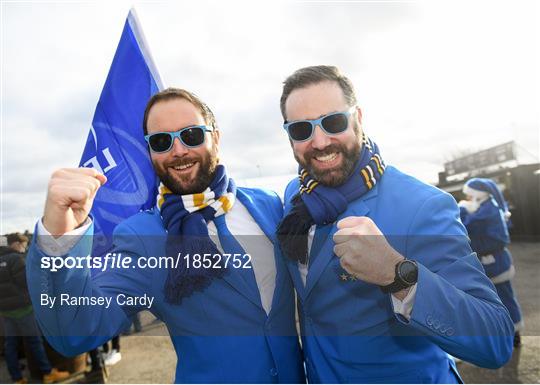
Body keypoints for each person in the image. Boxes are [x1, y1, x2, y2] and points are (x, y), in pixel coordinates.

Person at [25, 88, 305, 383]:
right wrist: (58, 238)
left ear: (216, 139)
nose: (179, 150)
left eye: (192, 135)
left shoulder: (268, 204)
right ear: (150, 152)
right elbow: (73, 330)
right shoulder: (141, 236)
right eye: (161, 141)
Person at [276, 65, 514, 383]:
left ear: (357, 118)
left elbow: (494, 339)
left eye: (333, 122)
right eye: (301, 129)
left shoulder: (422, 206)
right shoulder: (298, 194)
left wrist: (397, 275)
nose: (319, 141)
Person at [459, 177, 524, 347]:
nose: (468, 199)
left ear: (479, 194)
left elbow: (470, 227)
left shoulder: (488, 210)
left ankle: (514, 333)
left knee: (504, 297)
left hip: (495, 263)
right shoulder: (484, 207)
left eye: (470, 195)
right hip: (489, 263)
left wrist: (464, 211)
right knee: (494, 300)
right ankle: (503, 334)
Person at [0, 233, 70, 384]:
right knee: (35, 341)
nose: (24, 248)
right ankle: (47, 373)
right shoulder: (15, 259)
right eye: (23, 245)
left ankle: (17, 378)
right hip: (24, 308)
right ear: (15, 244)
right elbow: (28, 282)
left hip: (5, 311)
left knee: (10, 344)